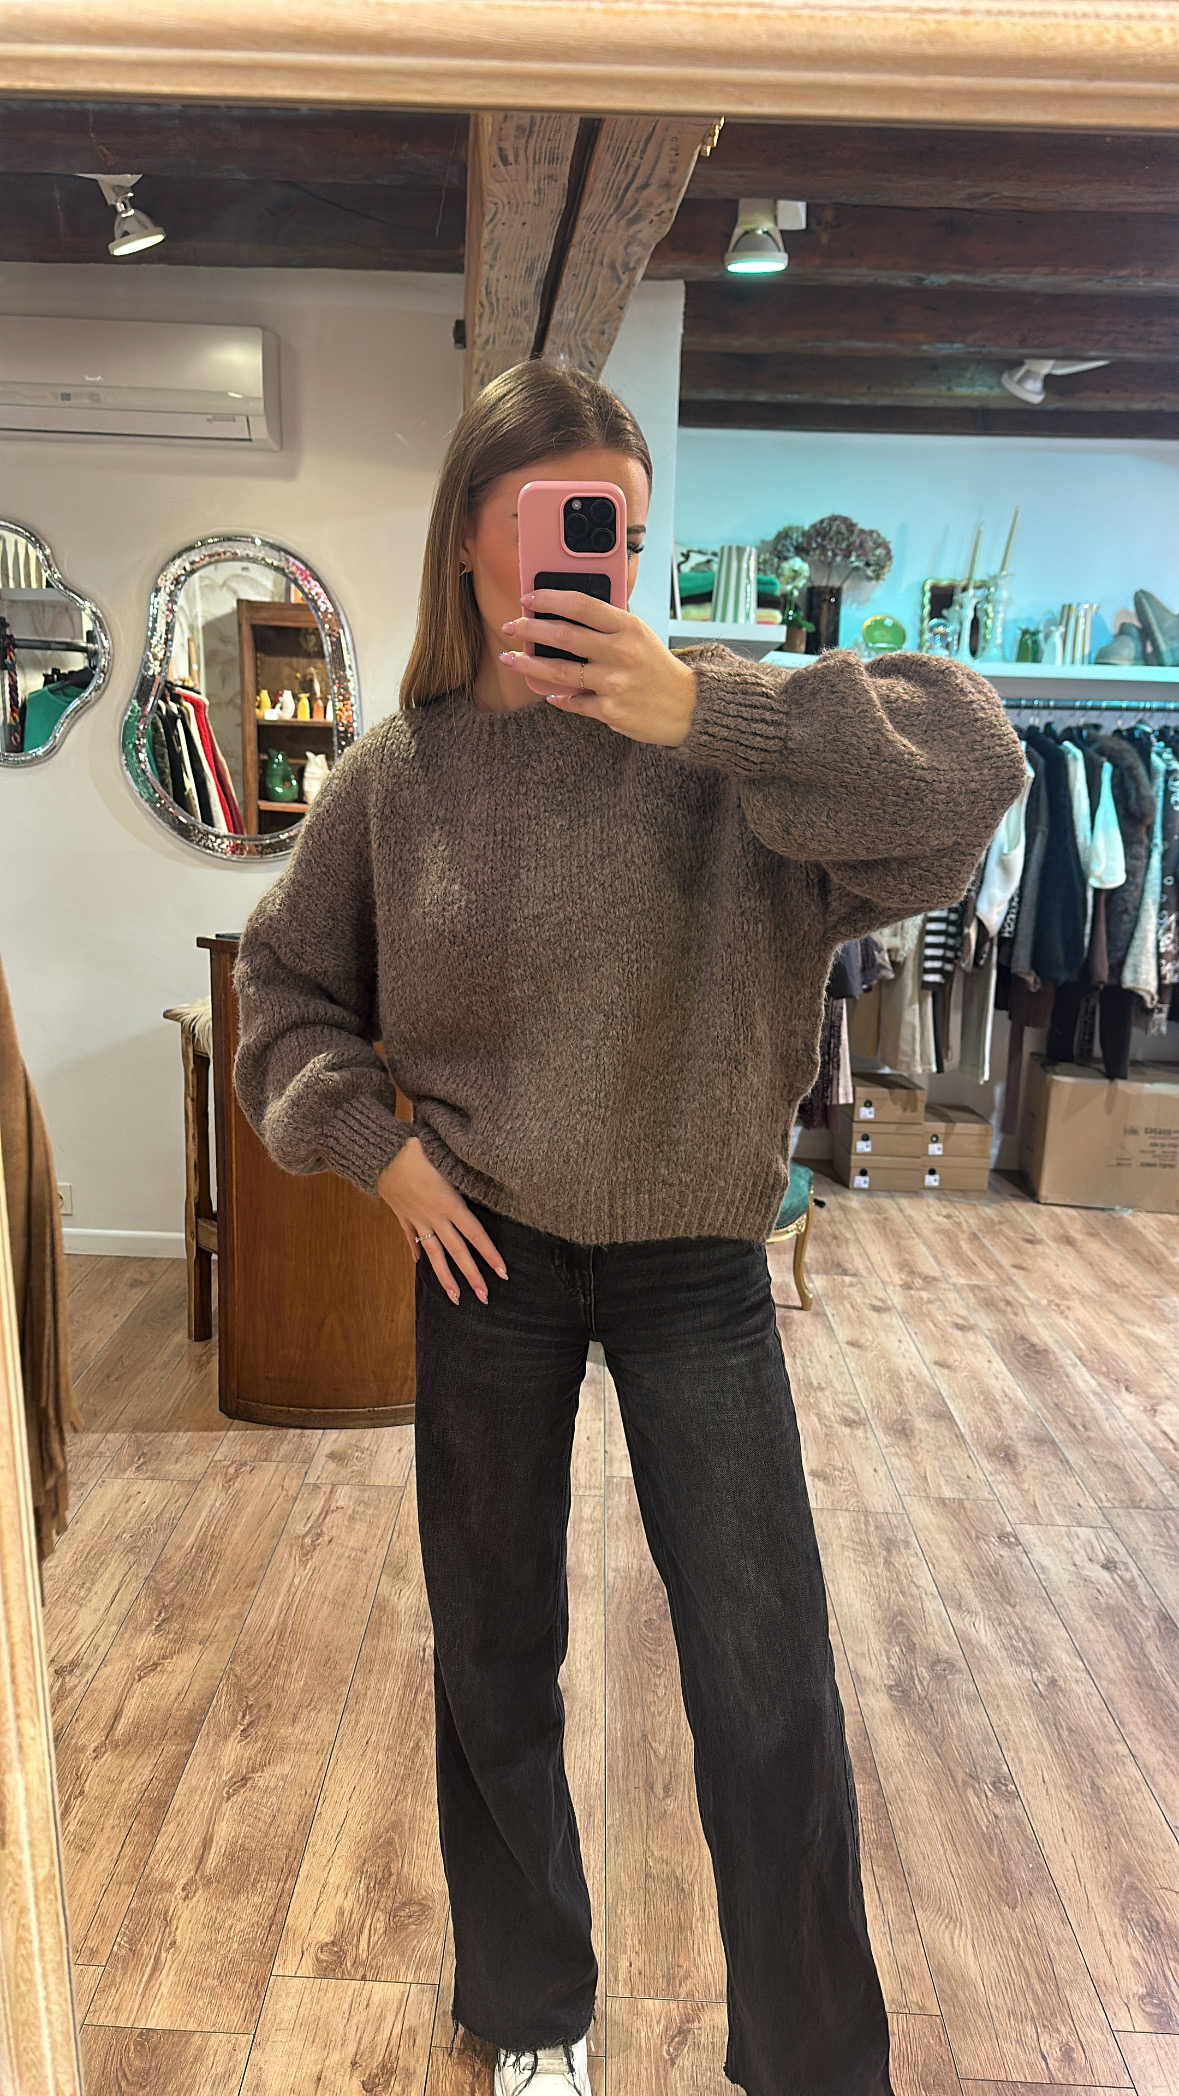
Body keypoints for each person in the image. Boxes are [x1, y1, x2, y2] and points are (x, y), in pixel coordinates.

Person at [232, 360, 1027, 2096]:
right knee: (493, 1654)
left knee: (766, 1675)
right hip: (488, 1258)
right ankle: (531, 2017)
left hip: (694, 1266)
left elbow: (978, 772)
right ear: (472, 539)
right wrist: (380, 1153)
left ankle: (814, 2065)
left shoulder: (730, 752)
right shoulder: (400, 778)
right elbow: (281, 995)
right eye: (560, 526)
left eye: (626, 535)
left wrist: (719, 716)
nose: (598, 565)